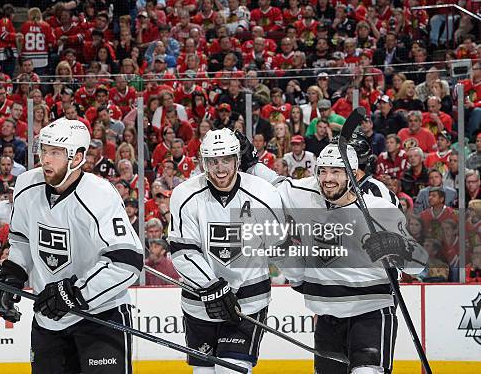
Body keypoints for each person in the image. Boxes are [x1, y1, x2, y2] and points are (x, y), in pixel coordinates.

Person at [0, 118, 143, 373]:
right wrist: (12, 275)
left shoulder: (99, 194)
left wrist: (76, 293)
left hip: (101, 317)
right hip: (49, 319)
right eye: (44, 150)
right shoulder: (26, 185)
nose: (45, 159)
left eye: (55, 152)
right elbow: (22, 240)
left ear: (77, 158)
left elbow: (126, 262)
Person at [276, 143, 428, 374]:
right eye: (323, 171)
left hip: (371, 312)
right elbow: (266, 188)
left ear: (353, 175)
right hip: (328, 318)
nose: (328, 178)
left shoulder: (378, 209)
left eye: (336, 171)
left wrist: (396, 247)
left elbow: (419, 264)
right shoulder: (304, 196)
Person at [168, 128, 285, 374]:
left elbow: (281, 244)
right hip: (200, 302)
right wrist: (211, 284)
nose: (220, 169)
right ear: (204, 162)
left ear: (237, 160)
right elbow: (183, 251)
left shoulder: (263, 193)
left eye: (226, 160)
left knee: (231, 370)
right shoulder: (184, 194)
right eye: (213, 161)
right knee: (203, 373)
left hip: (248, 302)